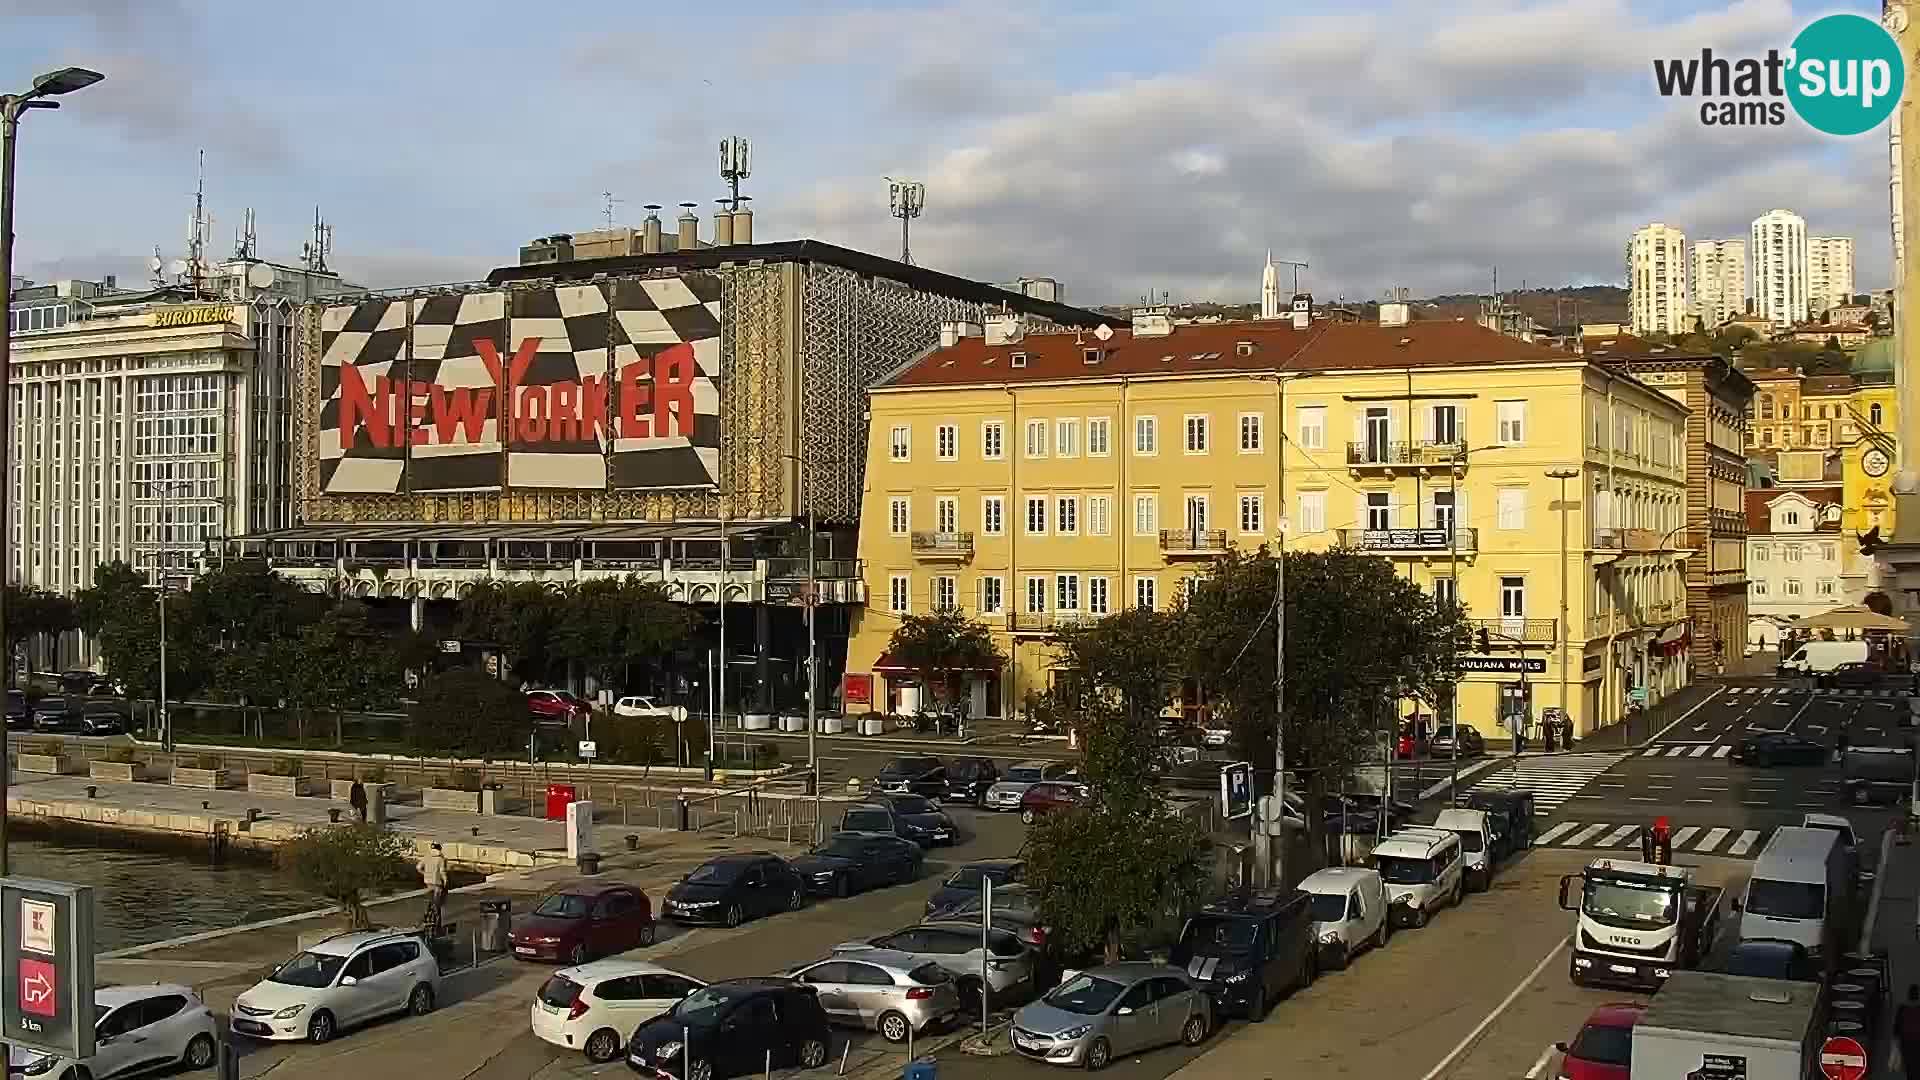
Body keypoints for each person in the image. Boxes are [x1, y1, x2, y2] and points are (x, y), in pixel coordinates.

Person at [420, 843, 449, 937]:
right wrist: (446, 882)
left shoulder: (426, 857)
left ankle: (426, 921)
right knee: (437, 906)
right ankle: (437, 927)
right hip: (437, 884)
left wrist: (425, 874)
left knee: (430, 903)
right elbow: (442, 872)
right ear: (440, 849)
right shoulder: (441, 859)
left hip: (428, 883)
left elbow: (418, 867)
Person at [1896, 984, 1920, 1080]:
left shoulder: (1902, 1009)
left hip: (1906, 1042)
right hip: (1918, 1041)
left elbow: (1896, 1029)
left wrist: (1896, 1044)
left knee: (1910, 1066)